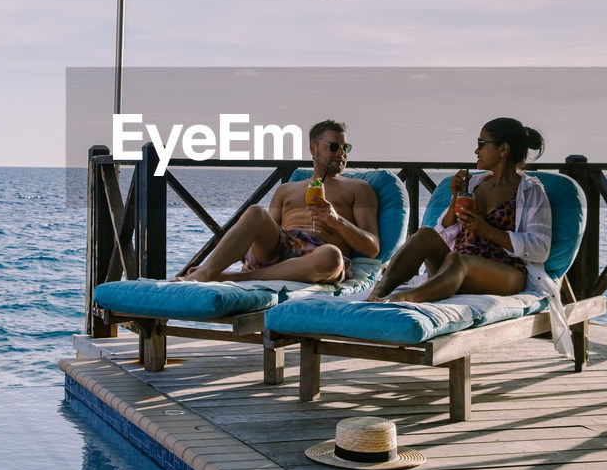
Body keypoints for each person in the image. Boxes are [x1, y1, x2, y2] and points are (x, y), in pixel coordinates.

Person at [366, 117, 568, 330]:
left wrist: (486, 231)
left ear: (503, 149)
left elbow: (541, 249)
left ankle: (404, 301)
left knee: (459, 260)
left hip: (505, 273)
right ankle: (378, 293)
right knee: (425, 234)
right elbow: (442, 233)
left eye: (482, 144)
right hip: (454, 267)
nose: (476, 151)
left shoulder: (530, 191)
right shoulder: (474, 184)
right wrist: (455, 199)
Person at [178, 120, 379, 284]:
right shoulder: (286, 189)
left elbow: (373, 247)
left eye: (346, 147)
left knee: (332, 257)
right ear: (312, 148)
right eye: (334, 146)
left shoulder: (358, 188)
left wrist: (337, 221)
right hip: (282, 247)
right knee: (255, 212)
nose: (341, 153)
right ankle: (204, 272)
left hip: (320, 254)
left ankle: (231, 278)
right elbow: (261, 237)